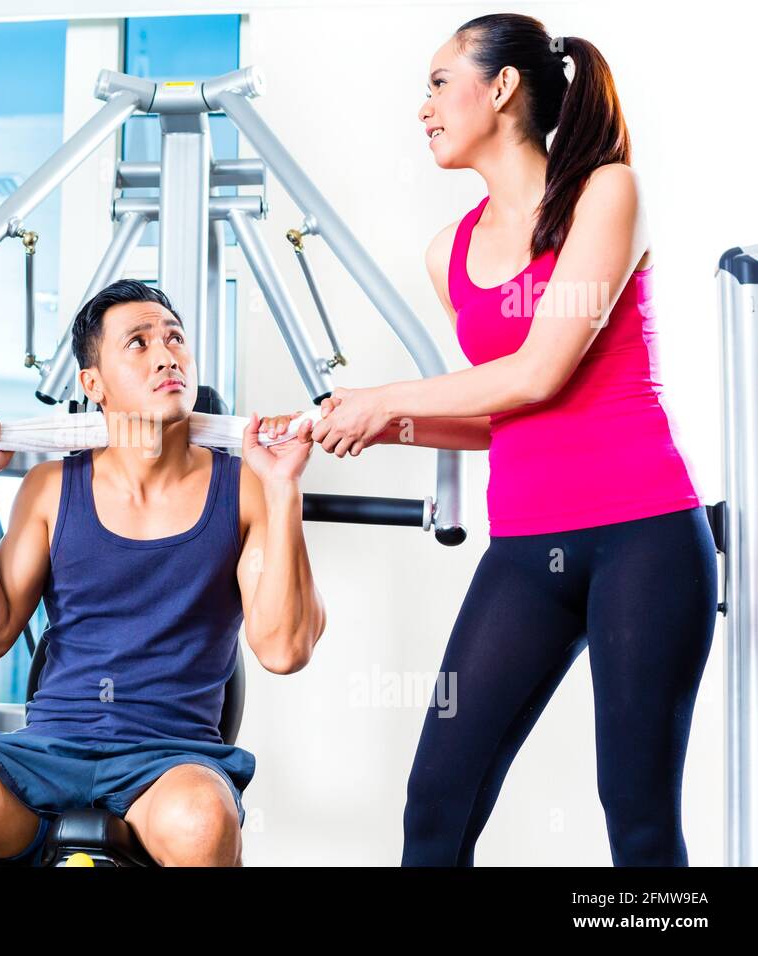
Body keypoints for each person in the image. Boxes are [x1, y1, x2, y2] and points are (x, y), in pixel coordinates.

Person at [312, 14, 715, 865]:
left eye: (436, 81)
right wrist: (372, 424)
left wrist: (386, 398)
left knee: (637, 816)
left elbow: (540, 373)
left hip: (643, 538)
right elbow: (499, 418)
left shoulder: (607, 192)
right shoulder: (447, 254)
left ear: (499, 88)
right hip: (527, 550)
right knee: (436, 805)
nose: (421, 106)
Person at [0, 279, 327, 866]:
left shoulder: (245, 490)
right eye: (138, 342)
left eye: (174, 338)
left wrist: (285, 492)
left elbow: (284, 649)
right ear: (93, 384)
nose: (166, 354)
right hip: (41, 759)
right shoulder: (51, 488)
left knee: (203, 820)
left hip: (168, 764)